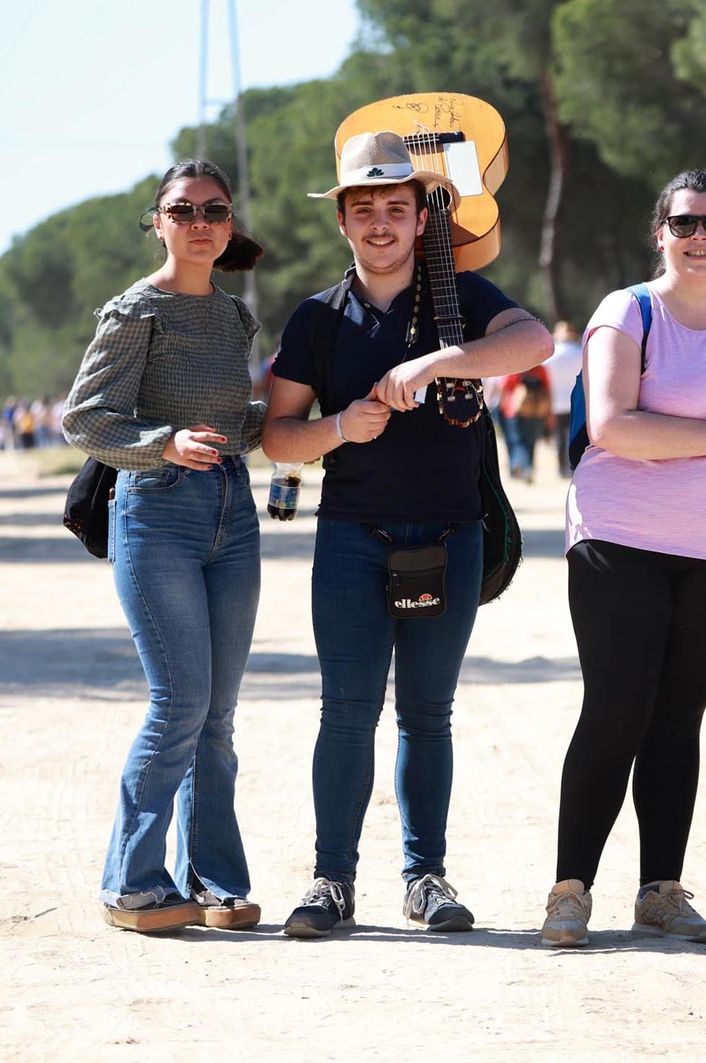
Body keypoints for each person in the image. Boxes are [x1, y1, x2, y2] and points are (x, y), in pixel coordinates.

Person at [263, 131, 552, 938]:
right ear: (344, 222)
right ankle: (331, 881)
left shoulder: (459, 294)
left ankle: (425, 878)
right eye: (366, 209)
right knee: (346, 712)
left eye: (398, 207)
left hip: (450, 533)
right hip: (353, 536)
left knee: (429, 713)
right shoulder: (316, 318)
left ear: (423, 218)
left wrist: (436, 364)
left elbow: (535, 342)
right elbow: (280, 437)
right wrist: (340, 428)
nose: (382, 223)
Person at [540, 169, 706, 948]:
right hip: (619, 536)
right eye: (684, 224)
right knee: (618, 707)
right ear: (660, 233)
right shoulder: (627, 310)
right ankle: (570, 890)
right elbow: (611, 425)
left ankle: (662, 890)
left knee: (680, 715)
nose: (699, 237)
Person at [64, 159, 268, 933]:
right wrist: (163, 442)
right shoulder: (133, 312)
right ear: (158, 221)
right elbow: (84, 419)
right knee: (179, 701)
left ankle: (214, 881)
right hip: (155, 515)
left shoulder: (233, 316)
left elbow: (238, 421)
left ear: (229, 223)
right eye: (183, 211)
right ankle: (132, 882)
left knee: (217, 714)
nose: (201, 223)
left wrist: (302, 416)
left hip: (234, 514)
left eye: (215, 210)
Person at [544, 320, 583, 477]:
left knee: (559, 436)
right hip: (577, 402)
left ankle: (561, 469)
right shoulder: (580, 352)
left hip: (556, 402)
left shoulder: (550, 356)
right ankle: (574, 466)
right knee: (575, 435)